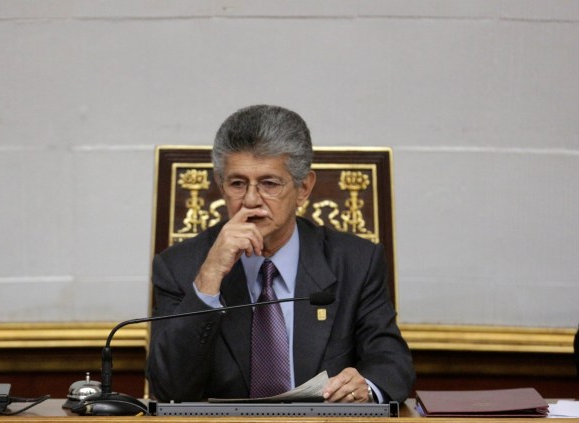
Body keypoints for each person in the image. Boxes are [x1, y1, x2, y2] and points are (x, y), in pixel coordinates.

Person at [146, 105, 415, 403]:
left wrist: (366, 386)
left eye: (269, 184)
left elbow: (392, 364)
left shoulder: (356, 262)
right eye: (237, 183)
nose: (250, 200)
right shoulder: (179, 267)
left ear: (303, 188)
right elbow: (169, 389)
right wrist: (208, 280)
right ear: (221, 186)